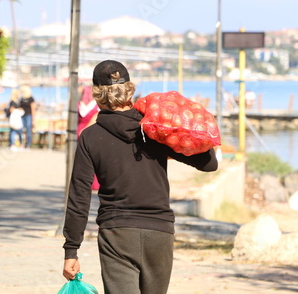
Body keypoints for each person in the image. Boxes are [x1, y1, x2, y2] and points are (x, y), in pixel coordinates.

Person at [61, 60, 218, 294]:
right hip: (159, 232)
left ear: (97, 95)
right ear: (129, 90)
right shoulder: (154, 129)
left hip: (117, 234)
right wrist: (182, 129)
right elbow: (209, 164)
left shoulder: (90, 137)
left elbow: (79, 197)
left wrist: (71, 250)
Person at [77, 85, 100, 190]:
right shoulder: (96, 105)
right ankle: (94, 183)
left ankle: (83, 181)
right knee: (93, 157)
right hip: (91, 131)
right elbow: (95, 118)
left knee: (82, 158)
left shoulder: (78, 105)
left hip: (79, 130)